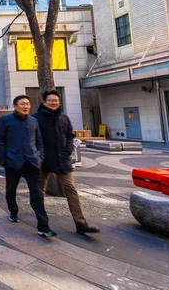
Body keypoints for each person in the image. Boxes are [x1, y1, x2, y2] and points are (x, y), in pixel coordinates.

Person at [33, 91, 100, 235]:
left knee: (70, 189)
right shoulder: (36, 118)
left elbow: (70, 136)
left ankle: (80, 222)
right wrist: (38, 155)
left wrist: (67, 150)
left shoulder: (64, 118)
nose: (54, 102)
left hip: (62, 159)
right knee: (40, 191)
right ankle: (42, 224)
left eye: (56, 100)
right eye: (50, 100)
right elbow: (32, 139)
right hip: (43, 161)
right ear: (44, 102)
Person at [0, 95, 56, 238]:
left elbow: (39, 140)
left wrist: (39, 156)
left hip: (32, 162)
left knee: (37, 193)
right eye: (23, 104)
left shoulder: (33, 121)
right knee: (11, 189)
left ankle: (43, 225)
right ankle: (13, 211)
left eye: (28, 104)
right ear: (15, 106)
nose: (26, 106)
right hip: (13, 161)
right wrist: (3, 158)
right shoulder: (5, 120)